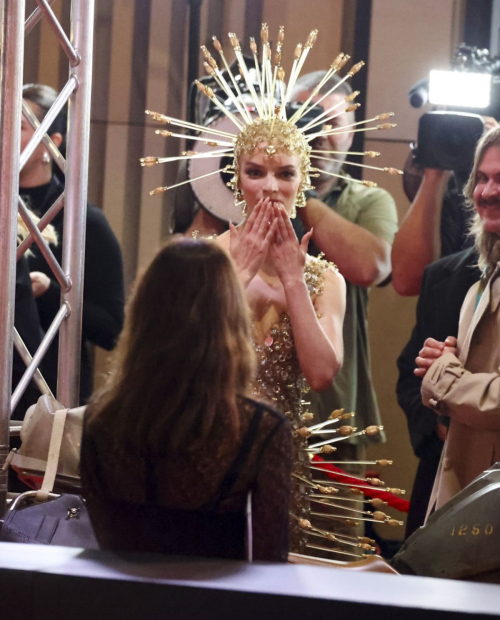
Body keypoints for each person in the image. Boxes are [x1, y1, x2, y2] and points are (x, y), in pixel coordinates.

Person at [81, 238, 292, 561]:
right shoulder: (261, 428)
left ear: (143, 313)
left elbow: (106, 541)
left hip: (121, 604)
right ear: (231, 317)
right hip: (216, 606)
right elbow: (269, 563)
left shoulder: (101, 417)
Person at [289, 71, 398, 480]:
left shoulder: (368, 199)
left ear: (352, 132)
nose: (317, 135)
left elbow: (371, 266)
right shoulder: (252, 187)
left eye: (329, 123)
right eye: (306, 120)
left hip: (334, 416)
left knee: (335, 544)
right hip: (247, 407)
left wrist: (301, 194)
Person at [21, 84, 125, 404]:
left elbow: (111, 329)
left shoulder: (84, 223)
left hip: (47, 401)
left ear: (51, 145)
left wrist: (51, 293)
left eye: (19, 125)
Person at [416, 126, 500, 514]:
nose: (486, 192)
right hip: (464, 512)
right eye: (481, 178)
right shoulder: (480, 285)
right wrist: (445, 363)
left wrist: (444, 377)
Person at [396, 246, 480, 536]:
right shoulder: (442, 275)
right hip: (443, 468)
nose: (486, 196)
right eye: (474, 194)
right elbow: (409, 378)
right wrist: (440, 424)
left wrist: (446, 374)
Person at [392, 116, 498, 297]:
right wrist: (434, 168)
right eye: (482, 177)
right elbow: (406, 282)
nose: (488, 191)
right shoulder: (454, 196)